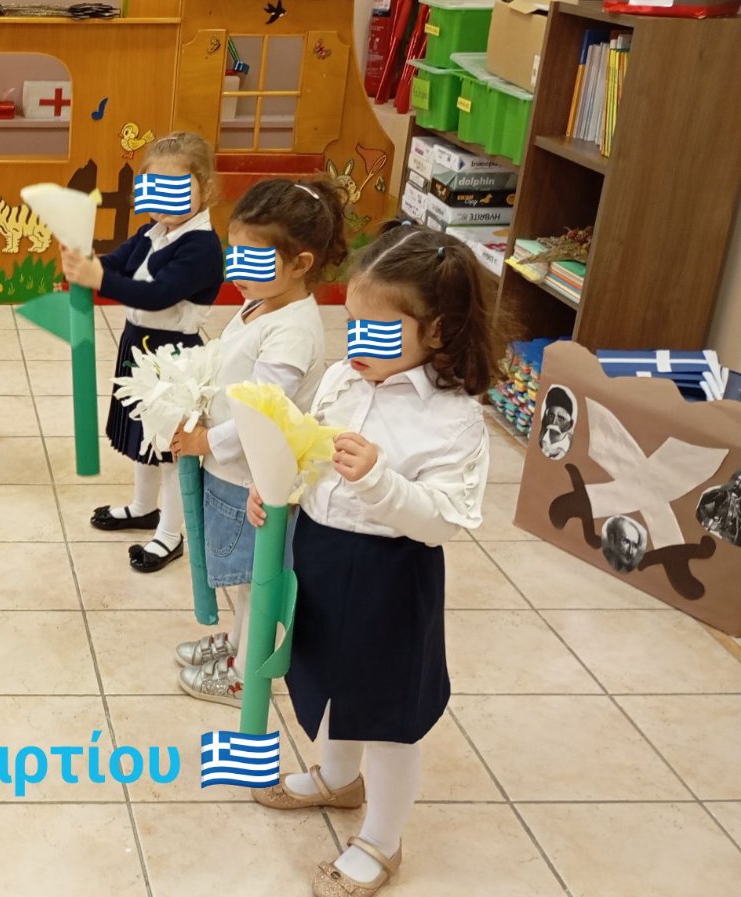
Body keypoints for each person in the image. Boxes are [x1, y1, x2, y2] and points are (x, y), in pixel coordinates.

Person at [246, 222, 504, 897]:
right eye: (353, 323)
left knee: (387, 716)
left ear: (437, 330)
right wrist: (278, 483)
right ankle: (338, 778)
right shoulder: (342, 379)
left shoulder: (452, 418)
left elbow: (443, 519)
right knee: (325, 680)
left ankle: (383, 839)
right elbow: (308, 450)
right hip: (322, 556)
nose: (358, 343)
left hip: (392, 577)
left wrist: (379, 481)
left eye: (380, 330)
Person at [168, 178, 346, 704]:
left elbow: (263, 416)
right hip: (232, 473)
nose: (236, 269)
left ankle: (247, 673)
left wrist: (206, 442)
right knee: (243, 580)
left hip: (253, 480)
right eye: (234, 253)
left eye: (253, 258)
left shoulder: (292, 331)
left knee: (255, 581)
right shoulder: (261, 304)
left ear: (301, 263)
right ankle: (238, 645)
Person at [59, 131, 224, 573]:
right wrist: (87, 265)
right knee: (142, 440)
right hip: (138, 345)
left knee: (169, 449)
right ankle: (143, 507)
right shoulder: (153, 232)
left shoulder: (202, 248)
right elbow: (118, 261)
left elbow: (158, 294)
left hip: (174, 358)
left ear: (204, 189)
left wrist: (99, 280)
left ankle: (170, 534)